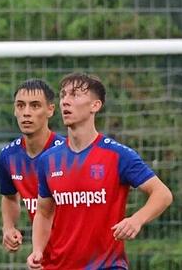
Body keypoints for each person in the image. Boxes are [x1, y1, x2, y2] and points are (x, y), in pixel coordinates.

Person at [26, 73, 173, 270]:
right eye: (63, 95)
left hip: (108, 265)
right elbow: (43, 212)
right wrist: (37, 249)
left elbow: (162, 194)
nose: (65, 101)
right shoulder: (48, 160)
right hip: (58, 265)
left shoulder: (118, 155)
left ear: (95, 106)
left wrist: (137, 219)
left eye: (75, 95)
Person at [0, 79, 64, 253]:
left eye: (35, 106)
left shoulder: (67, 154)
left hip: (79, 254)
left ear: (50, 110)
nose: (26, 113)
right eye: (20, 105)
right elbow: (10, 197)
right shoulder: (8, 156)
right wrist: (9, 227)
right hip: (42, 254)